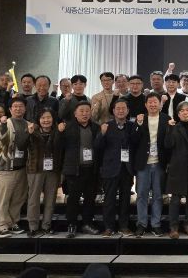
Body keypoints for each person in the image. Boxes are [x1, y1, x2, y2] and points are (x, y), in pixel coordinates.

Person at [94, 99, 137, 237]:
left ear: (128, 111)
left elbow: (136, 143)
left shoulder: (132, 126)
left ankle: (124, 226)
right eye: (118, 108)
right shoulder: (106, 126)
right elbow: (98, 147)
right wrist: (102, 134)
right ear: (113, 111)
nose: (121, 111)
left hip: (126, 168)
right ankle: (109, 227)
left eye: (123, 108)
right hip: (110, 168)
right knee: (109, 200)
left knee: (125, 200)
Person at [59, 101, 101, 238]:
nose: (84, 113)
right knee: (73, 199)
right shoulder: (67, 127)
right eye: (81, 111)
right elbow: (59, 147)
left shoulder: (96, 127)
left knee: (90, 198)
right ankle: (72, 224)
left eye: (87, 111)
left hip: (91, 169)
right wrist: (59, 132)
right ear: (75, 113)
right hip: (74, 169)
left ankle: (87, 224)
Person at [0, 96, 30, 237]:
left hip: (22, 168)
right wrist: (3, 125)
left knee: (18, 198)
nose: (18, 109)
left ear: (25, 109)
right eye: (15, 106)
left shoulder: (28, 124)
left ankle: (13, 223)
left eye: (21, 106)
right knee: (3, 199)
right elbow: (0, 141)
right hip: (5, 167)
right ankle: (2, 226)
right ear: (10, 109)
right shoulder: (5, 123)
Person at [133, 93, 169, 237]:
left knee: (158, 195)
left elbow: (169, 142)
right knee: (141, 195)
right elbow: (134, 140)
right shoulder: (140, 118)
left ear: (160, 104)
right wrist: (138, 124)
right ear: (146, 105)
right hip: (143, 163)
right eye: (150, 102)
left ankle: (156, 224)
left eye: (155, 102)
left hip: (160, 163)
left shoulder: (167, 119)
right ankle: (141, 224)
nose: (153, 105)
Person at [25, 108, 62, 237]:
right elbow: (21, 145)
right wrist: (29, 134)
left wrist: (60, 132)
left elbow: (60, 148)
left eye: (48, 117)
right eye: (43, 118)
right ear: (38, 120)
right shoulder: (32, 130)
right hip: (35, 169)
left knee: (50, 199)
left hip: (53, 170)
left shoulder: (58, 131)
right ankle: (33, 227)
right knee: (33, 199)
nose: (46, 120)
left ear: (53, 119)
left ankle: (46, 226)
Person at [165, 102, 188, 239]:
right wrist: (169, 129)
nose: (185, 113)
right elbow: (167, 145)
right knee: (175, 200)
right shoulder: (173, 127)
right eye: (182, 111)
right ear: (178, 114)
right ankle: (173, 227)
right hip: (177, 167)